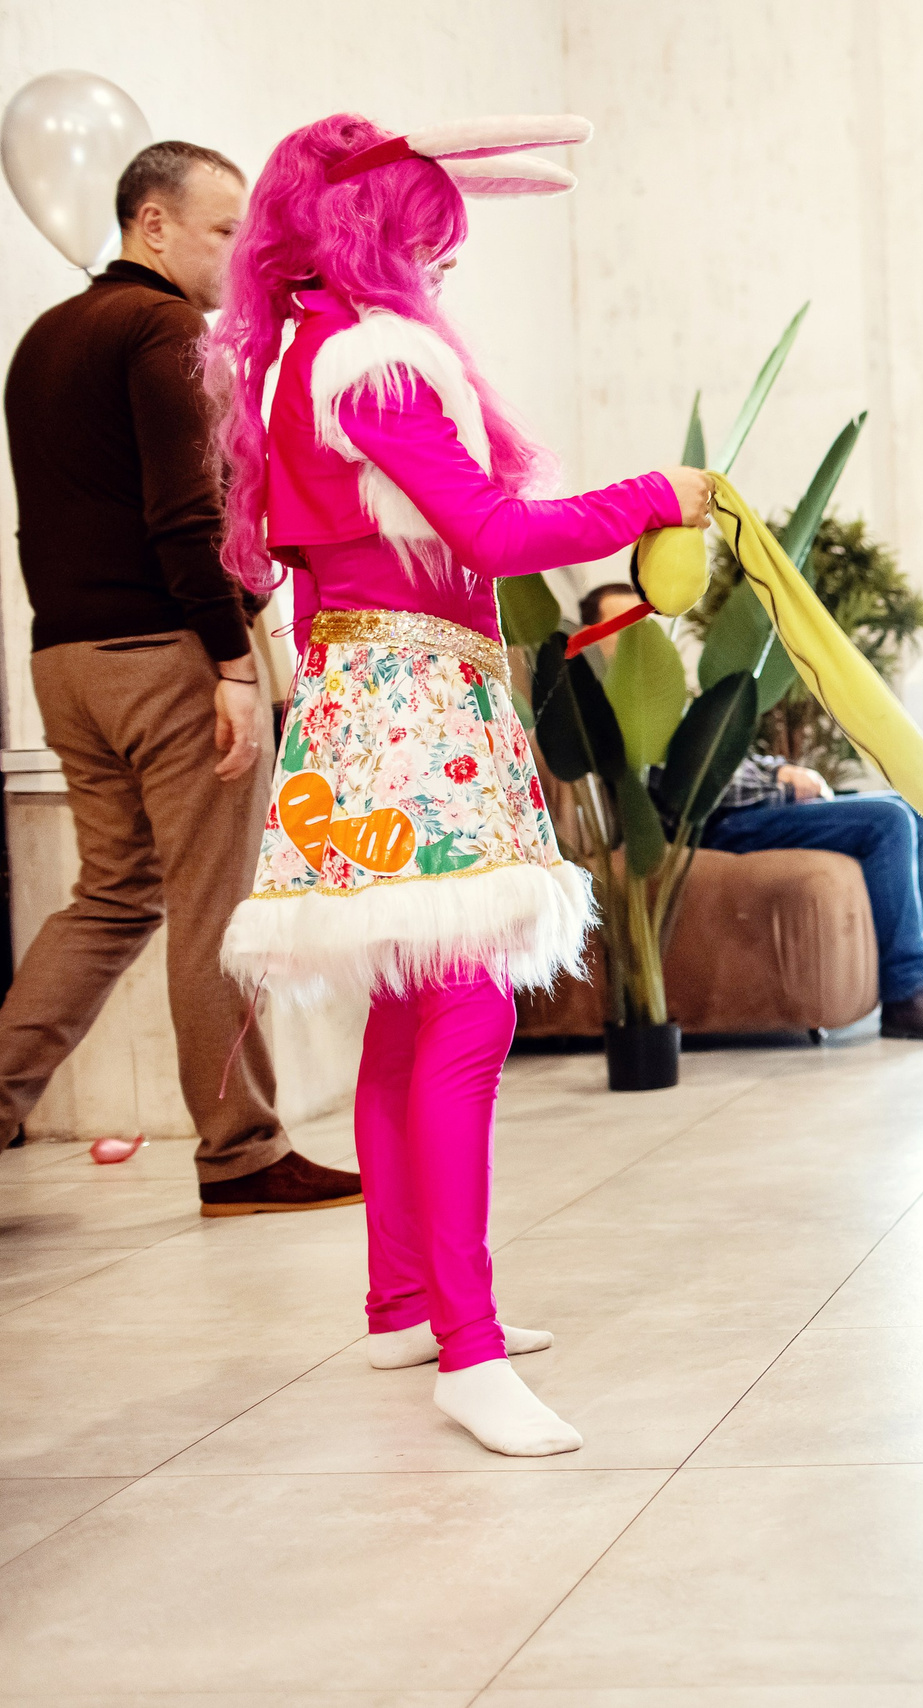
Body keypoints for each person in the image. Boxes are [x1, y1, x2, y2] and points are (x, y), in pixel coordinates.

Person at [206, 111, 713, 1455]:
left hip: (377, 701)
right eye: (425, 242)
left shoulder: (300, 359)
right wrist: (655, 496)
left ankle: (402, 1300)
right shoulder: (371, 367)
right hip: (416, 711)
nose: (437, 271)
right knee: (466, 1006)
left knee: (407, 1003)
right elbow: (490, 530)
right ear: (372, 237)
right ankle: (467, 1349)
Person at [0, 142, 363, 1211]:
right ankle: (243, 1150)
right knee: (217, 909)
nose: (240, 249)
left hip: (63, 662)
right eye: (221, 228)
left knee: (111, 898)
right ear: (151, 224)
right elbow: (185, 517)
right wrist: (231, 663)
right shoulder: (163, 330)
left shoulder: (40, 342)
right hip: (167, 658)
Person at [578, 585, 923, 1040]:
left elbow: (732, 754)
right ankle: (907, 996)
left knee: (919, 811)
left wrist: (783, 771)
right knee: (889, 821)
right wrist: (781, 786)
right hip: (707, 825)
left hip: (753, 810)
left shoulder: (658, 687)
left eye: (642, 623)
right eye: (622, 626)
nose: (636, 635)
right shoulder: (610, 706)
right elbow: (697, 781)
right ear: (590, 635)